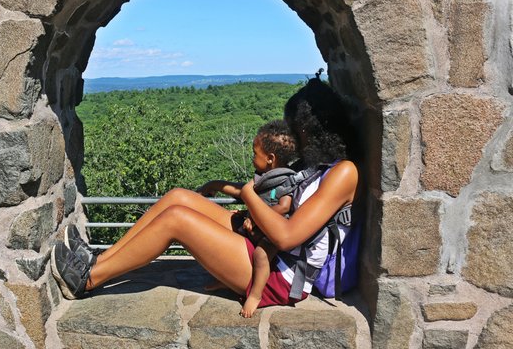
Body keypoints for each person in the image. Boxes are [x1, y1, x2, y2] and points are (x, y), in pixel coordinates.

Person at [51, 79, 358, 313]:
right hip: (263, 243)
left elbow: (288, 237)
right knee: (178, 198)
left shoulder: (343, 172)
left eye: (297, 128)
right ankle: (98, 260)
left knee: (177, 221)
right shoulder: (314, 162)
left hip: (280, 275)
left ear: (315, 128)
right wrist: (234, 196)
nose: (293, 134)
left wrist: (248, 195)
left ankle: (88, 280)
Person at [201, 119, 298, 317]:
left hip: (271, 232)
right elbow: (242, 192)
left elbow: (284, 207)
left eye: (255, 154)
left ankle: (255, 295)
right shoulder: (262, 177)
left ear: (270, 158)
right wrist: (213, 186)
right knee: (232, 235)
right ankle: (228, 277)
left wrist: (255, 217)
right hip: (256, 225)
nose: (252, 158)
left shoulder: (285, 179)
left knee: (261, 255)